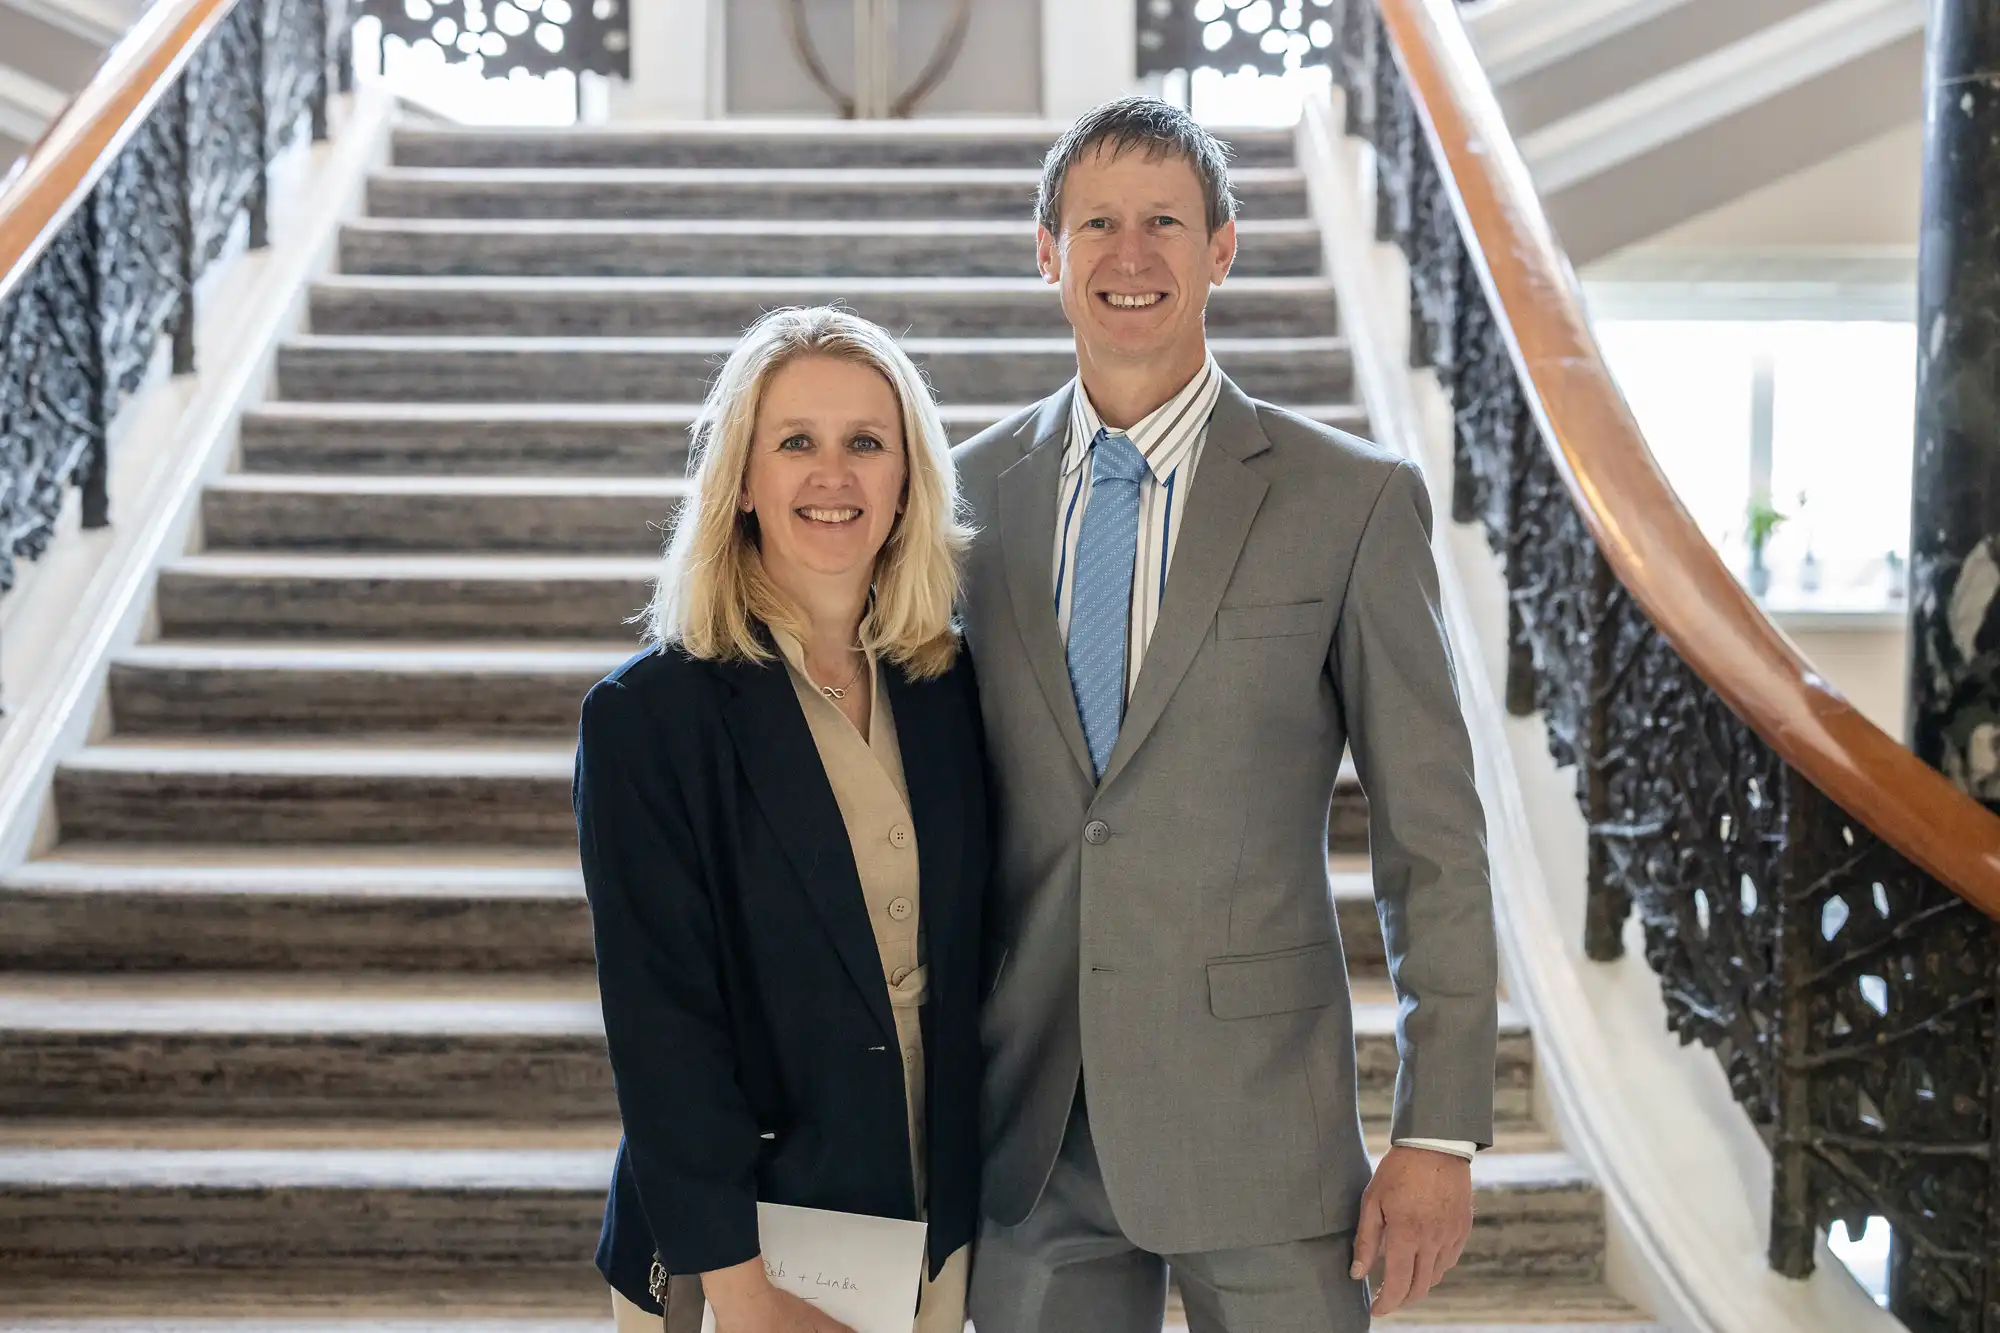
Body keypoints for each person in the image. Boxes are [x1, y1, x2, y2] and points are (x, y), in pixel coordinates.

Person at [951, 96, 1500, 1332]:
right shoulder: (964, 497)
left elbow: (1434, 837)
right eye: (1096, 222)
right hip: (1030, 1134)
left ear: (1221, 248)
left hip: (1264, 1131)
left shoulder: (1348, 500)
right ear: (1047, 249)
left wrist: (1440, 1128)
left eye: (1163, 221)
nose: (1129, 254)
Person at [574, 306, 989, 1333]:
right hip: (739, 1254)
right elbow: (660, 1028)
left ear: (905, 483)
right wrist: (745, 1293)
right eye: (794, 441)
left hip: (931, 1229)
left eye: (865, 443)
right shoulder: (647, 718)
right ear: (743, 481)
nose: (831, 476)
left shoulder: (947, 688)